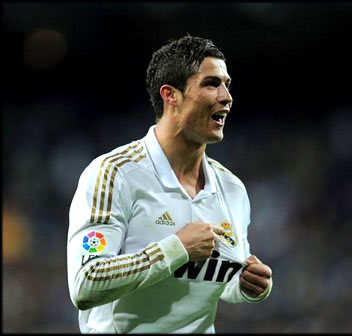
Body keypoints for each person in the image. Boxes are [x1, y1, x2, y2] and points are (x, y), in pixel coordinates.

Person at [67, 34, 273, 333]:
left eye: (227, 84)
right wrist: (175, 249)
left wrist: (245, 285)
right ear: (170, 95)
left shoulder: (232, 189)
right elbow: (85, 283)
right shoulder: (114, 174)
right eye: (211, 83)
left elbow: (216, 278)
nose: (227, 97)